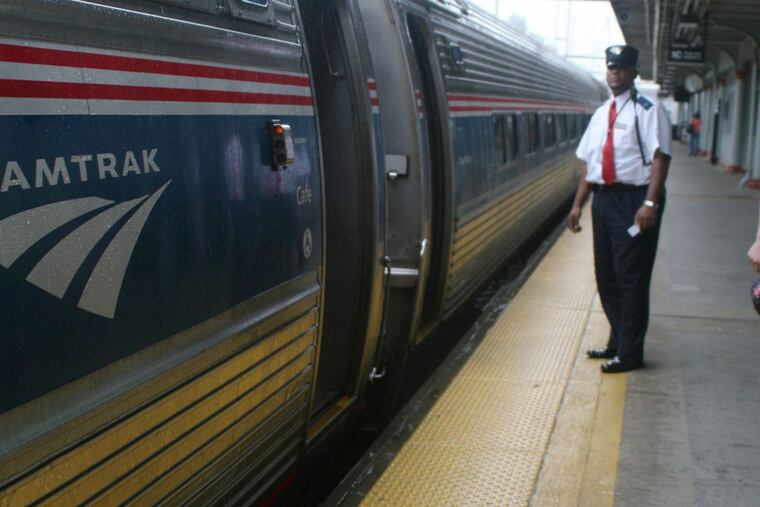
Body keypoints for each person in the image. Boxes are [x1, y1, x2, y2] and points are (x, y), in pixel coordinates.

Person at [567, 45, 672, 373]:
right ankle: (618, 341)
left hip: (635, 200)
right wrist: (577, 205)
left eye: (622, 68)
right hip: (604, 201)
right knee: (607, 275)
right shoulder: (601, 114)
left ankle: (630, 353)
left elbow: (660, 157)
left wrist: (650, 203)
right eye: (611, 67)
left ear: (634, 73)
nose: (615, 72)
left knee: (631, 278)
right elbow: (589, 164)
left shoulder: (648, 110)